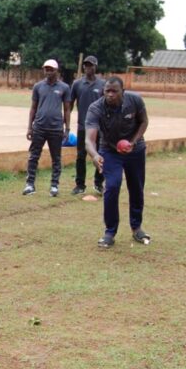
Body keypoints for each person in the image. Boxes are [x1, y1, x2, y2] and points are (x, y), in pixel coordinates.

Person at [85, 76, 151, 248]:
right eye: (107, 91)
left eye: (115, 91)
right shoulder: (96, 108)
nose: (110, 94)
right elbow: (89, 140)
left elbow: (144, 121)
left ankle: (136, 228)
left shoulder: (134, 100)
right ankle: (110, 231)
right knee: (112, 187)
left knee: (136, 188)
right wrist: (94, 155)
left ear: (123, 91)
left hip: (135, 150)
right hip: (110, 150)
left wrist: (134, 142)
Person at [23, 59, 71, 197]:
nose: (48, 71)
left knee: (56, 158)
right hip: (39, 127)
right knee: (33, 157)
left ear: (57, 70)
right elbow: (33, 107)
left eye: (51, 69)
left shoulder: (64, 87)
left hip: (56, 128)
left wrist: (67, 129)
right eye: (46, 69)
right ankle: (30, 185)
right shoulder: (38, 86)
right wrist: (29, 127)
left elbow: (67, 109)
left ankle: (54, 185)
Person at [69, 55, 106, 195]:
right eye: (85, 65)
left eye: (90, 65)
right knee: (80, 156)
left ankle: (98, 183)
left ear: (95, 67)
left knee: (101, 154)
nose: (87, 67)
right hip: (83, 127)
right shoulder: (77, 84)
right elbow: (70, 104)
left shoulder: (103, 85)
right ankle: (80, 185)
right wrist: (65, 123)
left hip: (100, 127)